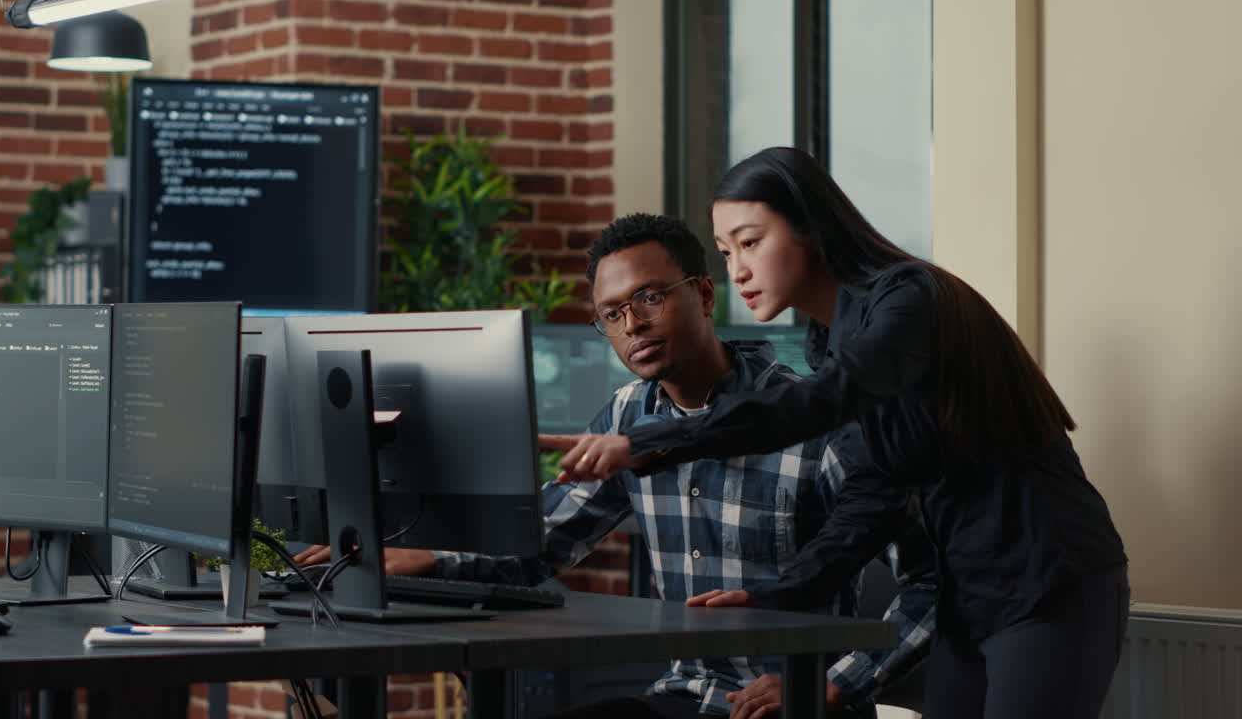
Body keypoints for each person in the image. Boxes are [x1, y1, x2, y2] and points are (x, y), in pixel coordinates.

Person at [549, 148, 1130, 719]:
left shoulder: (909, 300)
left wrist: (645, 443)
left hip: (1049, 580)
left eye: (751, 242)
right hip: (966, 597)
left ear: (811, 227)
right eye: (726, 252)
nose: (738, 271)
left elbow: (819, 403)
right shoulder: (829, 342)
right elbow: (872, 498)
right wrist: (775, 595)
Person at [298, 212, 936, 718]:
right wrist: (423, 556)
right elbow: (537, 548)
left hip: (790, 704)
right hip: (685, 693)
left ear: (706, 293)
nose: (633, 324)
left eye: (651, 297)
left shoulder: (811, 419)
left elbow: (930, 583)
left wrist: (834, 685)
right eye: (612, 314)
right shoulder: (626, 416)